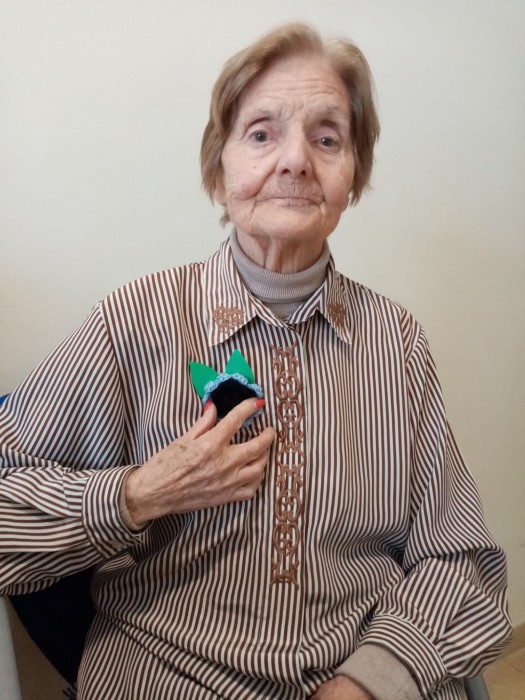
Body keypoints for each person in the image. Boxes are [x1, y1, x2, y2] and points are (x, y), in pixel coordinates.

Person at [0, 23, 512, 700]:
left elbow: (460, 559)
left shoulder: (399, 342)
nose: (295, 159)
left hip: (359, 663)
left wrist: (371, 680)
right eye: (262, 134)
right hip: (167, 671)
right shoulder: (132, 321)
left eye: (326, 138)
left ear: (352, 176)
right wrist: (136, 493)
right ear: (220, 173)